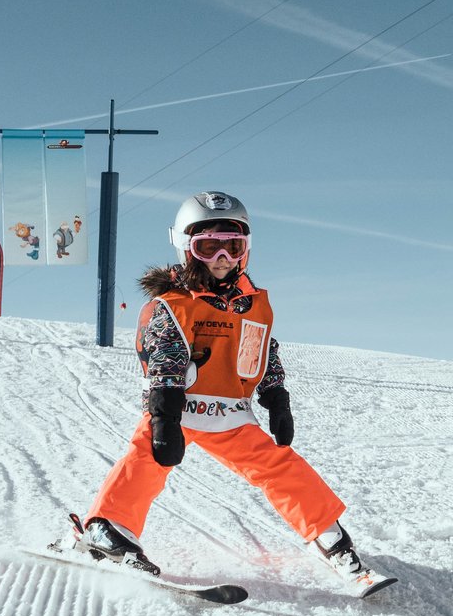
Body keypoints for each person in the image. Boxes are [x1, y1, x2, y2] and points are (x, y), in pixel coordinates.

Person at [80, 191, 366, 581]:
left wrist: (276, 397)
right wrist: (163, 417)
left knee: (280, 467)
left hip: (230, 413)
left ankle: (327, 533)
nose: (221, 258)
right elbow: (164, 357)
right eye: (208, 247)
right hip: (180, 409)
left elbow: (262, 349)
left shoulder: (253, 303)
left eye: (233, 247)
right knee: (148, 459)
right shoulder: (174, 303)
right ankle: (107, 527)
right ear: (186, 247)